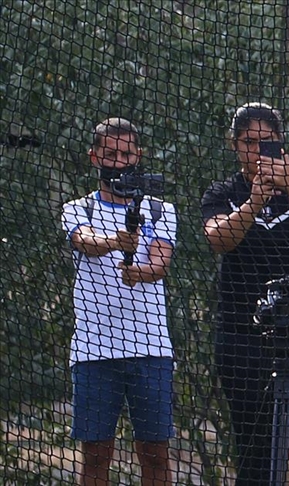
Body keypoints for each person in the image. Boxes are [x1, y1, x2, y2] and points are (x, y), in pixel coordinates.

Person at [201, 102, 289, 485]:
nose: (258, 150)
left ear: (281, 143)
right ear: (235, 145)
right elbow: (218, 239)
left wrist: (288, 181)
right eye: (249, 142)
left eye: (268, 141)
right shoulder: (222, 192)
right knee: (254, 445)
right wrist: (255, 200)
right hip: (244, 336)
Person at [62, 117, 176, 486]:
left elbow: (160, 263)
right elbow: (84, 240)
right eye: (110, 154)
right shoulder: (77, 208)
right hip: (94, 351)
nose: (119, 161)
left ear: (138, 156)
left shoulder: (160, 210)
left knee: (156, 454)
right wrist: (117, 242)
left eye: (126, 153)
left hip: (150, 348)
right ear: (95, 157)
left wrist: (140, 272)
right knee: (95, 455)